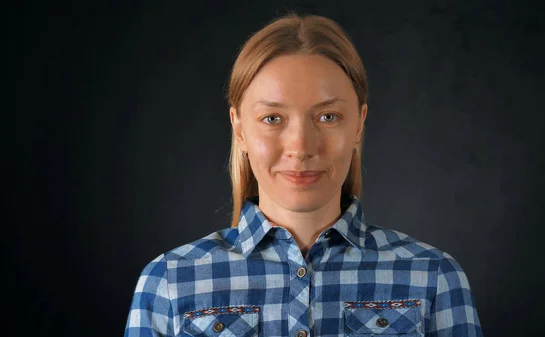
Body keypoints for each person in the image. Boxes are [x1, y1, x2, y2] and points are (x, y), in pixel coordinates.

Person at [124, 13, 483, 337]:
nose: (301, 146)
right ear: (239, 129)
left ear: (359, 124)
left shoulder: (434, 278)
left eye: (328, 117)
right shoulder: (168, 283)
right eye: (272, 119)